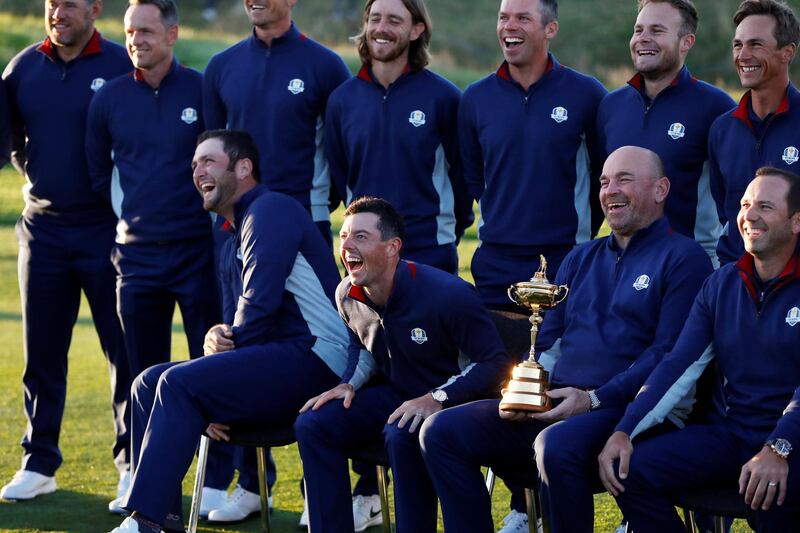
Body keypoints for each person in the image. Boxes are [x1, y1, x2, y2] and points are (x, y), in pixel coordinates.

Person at [420, 146, 714, 533]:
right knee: (441, 431)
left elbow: (666, 355)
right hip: (561, 402)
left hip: (630, 409)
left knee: (554, 445)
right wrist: (524, 394)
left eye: (625, 179)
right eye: (605, 181)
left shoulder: (685, 258)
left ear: (661, 189)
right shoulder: (580, 257)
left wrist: (592, 400)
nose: (611, 190)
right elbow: (551, 339)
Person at [108, 129, 351, 533]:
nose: (197, 170)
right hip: (279, 361)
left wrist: (208, 383)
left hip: (320, 360)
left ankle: (144, 523)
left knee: (177, 384)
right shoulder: (231, 236)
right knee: (147, 383)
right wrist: (215, 350)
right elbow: (233, 326)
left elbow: (258, 308)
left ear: (243, 168)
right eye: (193, 165)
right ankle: (163, 521)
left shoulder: (270, 209)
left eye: (208, 161)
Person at [459, 1, 607, 528]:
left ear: (550, 29)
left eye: (522, 17)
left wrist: (575, 253)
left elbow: (599, 185)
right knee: (499, 392)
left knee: (551, 392)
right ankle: (518, 503)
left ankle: (537, 504)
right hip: (496, 274)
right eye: (503, 16)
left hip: (565, 274)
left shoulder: (588, 95)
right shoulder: (475, 99)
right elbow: (475, 180)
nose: (509, 26)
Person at [599, 167, 800, 532]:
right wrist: (624, 430)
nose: (749, 216)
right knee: (626, 469)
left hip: (791, 442)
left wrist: (779, 447)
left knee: (773, 495)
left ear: (796, 222)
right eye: (744, 205)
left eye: (765, 207)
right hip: (734, 435)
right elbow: (679, 363)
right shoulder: (720, 284)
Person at [294, 196, 511, 533]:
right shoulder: (346, 294)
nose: (347, 245)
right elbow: (362, 345)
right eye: (344, 236)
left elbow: (494, 363)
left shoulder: (448, 294)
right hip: (398, 395)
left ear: (393, 247)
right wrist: (349, 382)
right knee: (313, 423)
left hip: (456, 402)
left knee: (401, 433)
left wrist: (435, 398)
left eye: (360, 237)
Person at [84, 1, 220, 512]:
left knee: (210, 367)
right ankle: (138, 471)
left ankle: (214, 479)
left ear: (173, 33)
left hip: (197, 252)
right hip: (136, 257)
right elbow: (100, 173)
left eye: (145, 30)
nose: (135, 39)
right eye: (129, 31)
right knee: (138, 372)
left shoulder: (203, 89)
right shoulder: (110, 97)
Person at [0, 0, 131, 503]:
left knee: (121, 351)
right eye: (53, 4)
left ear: (95, 9)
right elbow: (13, 140)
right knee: (43, 353)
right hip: (43, 230)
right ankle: (39, 461)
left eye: (71, 5)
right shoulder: (23, 67)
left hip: (106, 230)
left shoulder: (120, 63)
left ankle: (131, 460)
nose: (59, 13)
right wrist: (35, 173)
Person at [326, 0, 473, 276]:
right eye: (375, 19)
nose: (381, 28)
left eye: (394, 21)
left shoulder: (445, 98)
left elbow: (464, 180)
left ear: (417, 29)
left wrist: (444, 232)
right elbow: (341, 175)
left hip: (429, 254)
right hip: (363, 257)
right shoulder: (342, 101)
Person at [597, 0, 735, 267]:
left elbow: (735, 199)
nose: (643, 38)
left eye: (657, 30)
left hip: (690, 268)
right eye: (638, 30)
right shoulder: (610, 107)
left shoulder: (717, 108)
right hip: (619, 267)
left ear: (686, 42)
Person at [203, 0, 351, 246]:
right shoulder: (220, 67)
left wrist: (318, 200)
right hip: (236, 224)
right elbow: (209, 155)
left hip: (305, 217)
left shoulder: (327, 66)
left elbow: (344, 157)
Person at [710, 0, 800, 265]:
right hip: (736, 282)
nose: (743, 55)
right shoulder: (722, 130)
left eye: (756, 45)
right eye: (738, 45)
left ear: (787, 52)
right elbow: (727, 214)